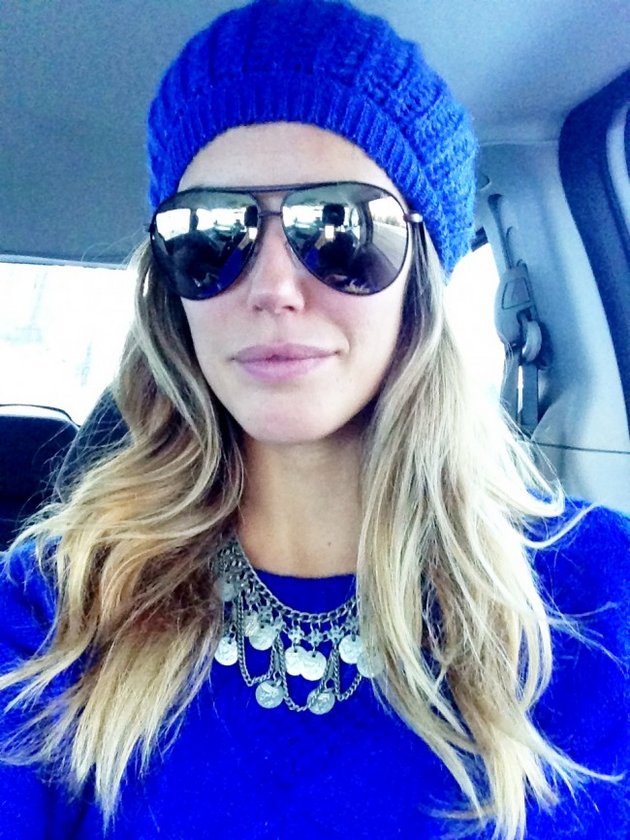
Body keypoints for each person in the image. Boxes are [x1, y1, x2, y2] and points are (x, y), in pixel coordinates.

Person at [0, 1, 628, 838]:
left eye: (340, 226)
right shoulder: (58, 605)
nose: (272, 288)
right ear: (172, 290)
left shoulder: (603, 597)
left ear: (422, 275)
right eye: (210, 232)